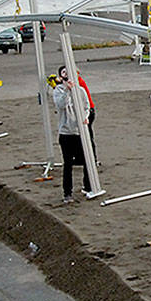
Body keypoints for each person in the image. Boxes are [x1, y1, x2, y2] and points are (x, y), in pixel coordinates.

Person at [53, 70, 95, 204]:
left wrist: (86, 117)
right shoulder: (58, 90)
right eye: (64, 72)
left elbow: (86, 106)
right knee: (68, 163)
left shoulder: (80, 90)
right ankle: (67, 193)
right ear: (61, 77)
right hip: (66, 133)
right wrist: (67, 90)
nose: (67, 74)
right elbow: (60, 105)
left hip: (79, 131)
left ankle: (88, 187)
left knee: (87, 159)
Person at [59, 66, 96, 157]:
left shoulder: (77, 82)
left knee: (86, 136)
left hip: (85, 110)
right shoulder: (73, 80)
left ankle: (91, 157)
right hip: (80, 110)